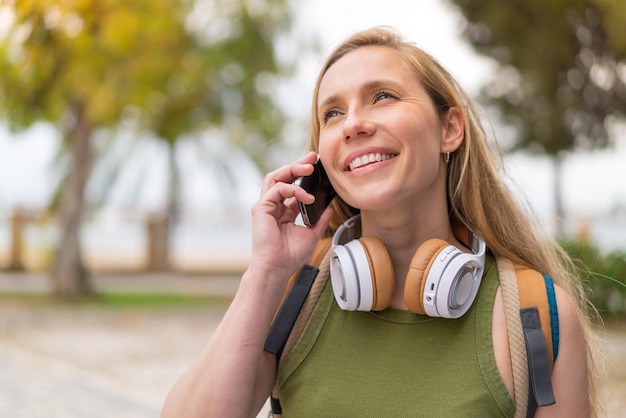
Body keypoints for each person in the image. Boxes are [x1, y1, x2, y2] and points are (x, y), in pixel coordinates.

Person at [161, 26, 599, 417]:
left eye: (382, 96)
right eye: (332, 113)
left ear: (450, 129)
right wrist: (265, 273)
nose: (352, 124)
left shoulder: (536, 313)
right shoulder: (293, 295)